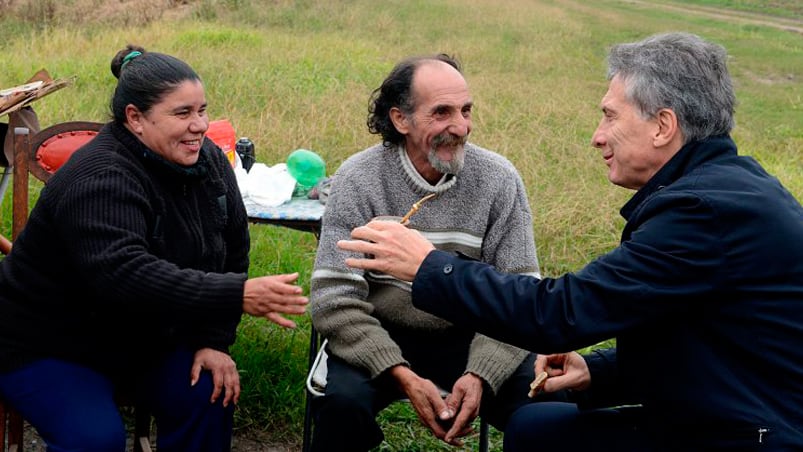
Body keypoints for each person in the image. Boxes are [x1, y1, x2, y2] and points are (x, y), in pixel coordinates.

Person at [337, 32, 803, 450]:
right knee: (538, 429)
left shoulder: (702, 213)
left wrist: (427, 266)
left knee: (543, 435)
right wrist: (597, 371)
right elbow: (704, 341)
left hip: (750, 433)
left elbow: (558, 313)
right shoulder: (728, 188)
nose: (597, 138)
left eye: (609, 116)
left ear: (663, 126)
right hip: (733, 411)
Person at [0, 45, 308, 451]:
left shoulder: (209, 161)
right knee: (95, 440)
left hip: (141, 339)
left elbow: (232, 247)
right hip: (48, 345)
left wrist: (213, 340)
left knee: (209, 392)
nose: (199, 125)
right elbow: (124, 274)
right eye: (183, 113)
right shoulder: (101, 176)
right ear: (135, 118)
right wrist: (237, 294)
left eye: (202, 110)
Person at [309, 53, 565, 450]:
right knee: (343, 405)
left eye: (466, 110)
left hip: (472, 333)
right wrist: (400, 373)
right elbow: (333, 299)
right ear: (400, 120)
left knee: (548, 407)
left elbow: (520, 294)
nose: (460, 127)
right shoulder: (358, 179)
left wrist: (480, 374)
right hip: (380, 330)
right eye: (441, 112)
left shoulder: (498, 179)